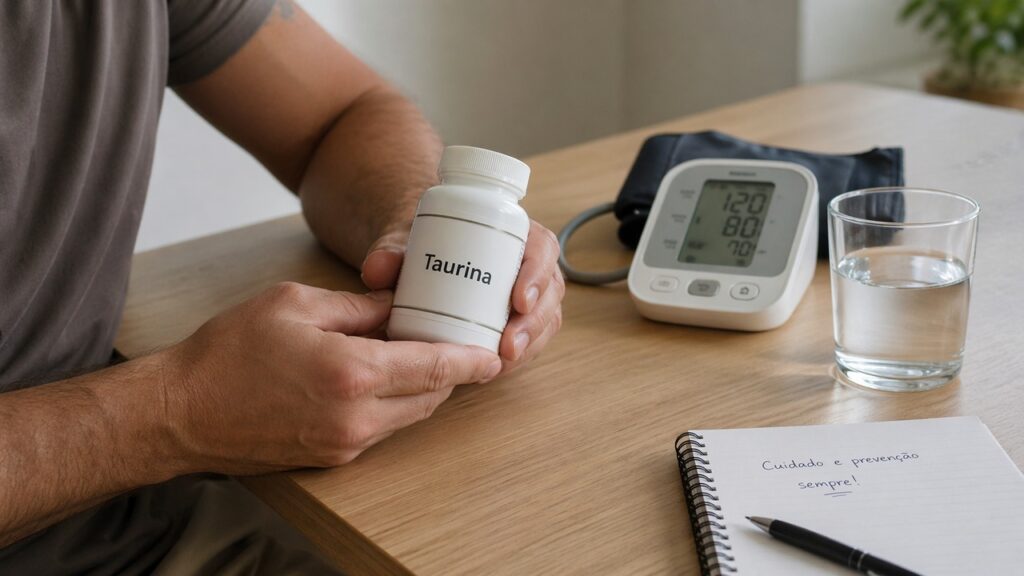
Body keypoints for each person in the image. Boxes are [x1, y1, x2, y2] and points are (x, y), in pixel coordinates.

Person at [0, 1, 564, 573]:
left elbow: (340, 115)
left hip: (128, 520)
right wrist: (177, 412)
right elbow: (173, 416)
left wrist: (415, 234)